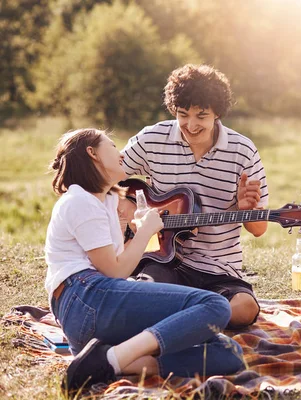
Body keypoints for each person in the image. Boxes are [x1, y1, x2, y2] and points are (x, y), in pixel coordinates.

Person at [45, 129, 245, 393]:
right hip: (84, 298)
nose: (120, 153)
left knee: (229, 351)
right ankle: (112, 358)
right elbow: (115, 271)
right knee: (215, 305)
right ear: (92, 153)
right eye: (112, 146)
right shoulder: (79, 200)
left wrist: (142, 232)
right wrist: (146, 231)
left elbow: (116, 263)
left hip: (96, 311)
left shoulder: (104, 202)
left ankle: (112, 361)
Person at [121, 64, 268, 328]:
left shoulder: (243, 151)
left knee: (245, 310)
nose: (191, 124)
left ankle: (179, 318)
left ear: (217, 114)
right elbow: (104, 177)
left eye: (201, 116)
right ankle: (198, 319)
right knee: (146, 296)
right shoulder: (152, 139)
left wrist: (249, 207)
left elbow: (259, 229)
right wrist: (126, 213)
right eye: (183, 114)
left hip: (219, 268)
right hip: (162, 261)